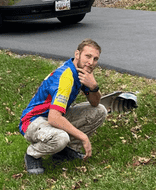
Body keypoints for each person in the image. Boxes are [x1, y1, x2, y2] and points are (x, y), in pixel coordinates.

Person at [19, 39, 108, 174]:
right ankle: (33, 154)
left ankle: (66, 151)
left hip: (53, 116)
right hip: (33, 121)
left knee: (100, 111)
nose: (91, 63)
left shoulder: (80, 72)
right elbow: (54, 118)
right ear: (77, 54)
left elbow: (95, 103)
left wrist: (94, 87)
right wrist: (83, 137)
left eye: (95, 59)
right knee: (61, 138)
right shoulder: (66, 77)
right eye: (88, 56)